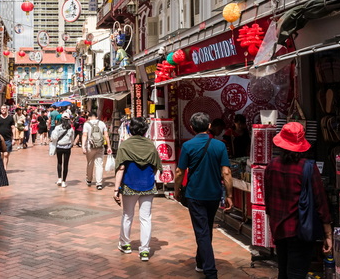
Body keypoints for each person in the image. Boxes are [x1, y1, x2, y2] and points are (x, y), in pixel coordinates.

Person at [264, 122, 332, 279]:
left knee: (283, 272)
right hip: (300, 231)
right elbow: (320, 201)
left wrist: (273, 222)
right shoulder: (307, 167)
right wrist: (328, 233)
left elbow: (268, 200)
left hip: (279, 229)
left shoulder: (271, 166)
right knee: (296, 273)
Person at [173, 112, 233, 278]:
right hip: (214, 194)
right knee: (206, 228)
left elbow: (179, 171)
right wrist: (229, 195)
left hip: (195, 194)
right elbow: (226, 172)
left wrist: (177, 190)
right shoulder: (219, 146)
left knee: (202, 231)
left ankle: (210, 270)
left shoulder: (188, 146)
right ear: (208, 126)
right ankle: (201, 262)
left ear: (191, 128)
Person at [113, 117, 163, 262]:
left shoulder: (125, 146)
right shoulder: (151, 145)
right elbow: (155, 167)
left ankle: (125, 244)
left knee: (127, 215)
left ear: (130, 129)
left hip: (129, 185)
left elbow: (121, 168)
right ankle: (145, 250)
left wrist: (116, 189)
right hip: (148, 185)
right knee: (145, 218)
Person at [82, 111, 111, 190]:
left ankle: (89, 179)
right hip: (100, 146)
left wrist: (83, 146)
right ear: (96, 116)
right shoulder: (102, 123)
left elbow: (85, 135)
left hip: (90, 146)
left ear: (89, 117)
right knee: (99, 164)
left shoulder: (87, 124)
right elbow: (106, 135)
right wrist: (109, 146)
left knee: (90, 163)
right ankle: (99, 183)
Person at [51, 117, 76, 188]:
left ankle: (59, 178)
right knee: (66, 164)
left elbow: (54, 137)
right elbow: (72, 139)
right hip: (67, 147)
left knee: (59, 162)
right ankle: (64, 181)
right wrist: (71, 144)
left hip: (59, 146)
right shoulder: (71, 129)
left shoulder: (57, 128)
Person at [0, 105, 15, 170]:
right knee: (0, 154)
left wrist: (14, 138)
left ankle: (5, 168)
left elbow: (13, 128)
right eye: (2, 109)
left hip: (8, 139)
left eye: (4, 109)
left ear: (6, 109)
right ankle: (0, 167)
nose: (3, 110)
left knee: (6, 154)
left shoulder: (10, 118)